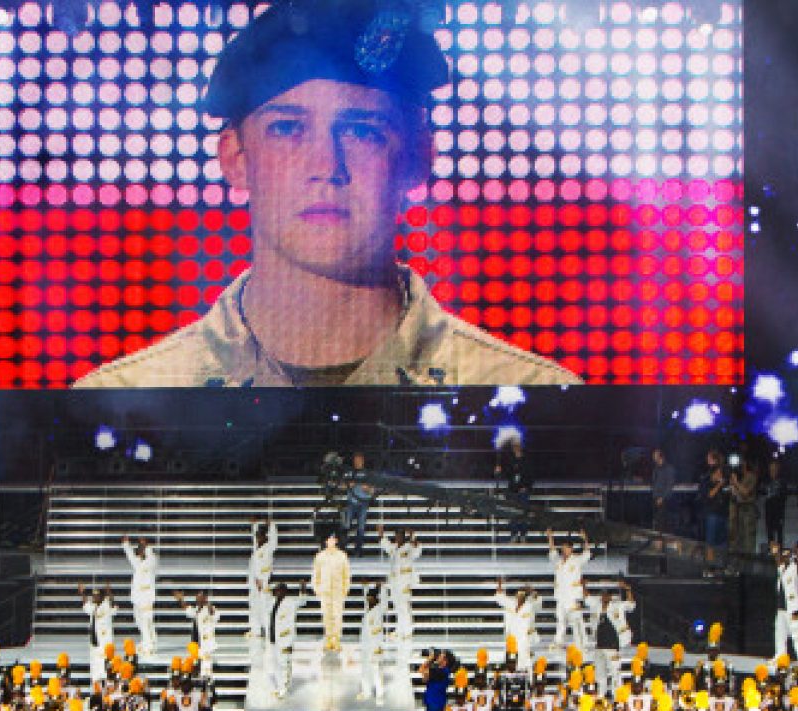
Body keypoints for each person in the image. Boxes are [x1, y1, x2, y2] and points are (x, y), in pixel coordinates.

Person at [72, 0, 578, 389]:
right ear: (235, 158)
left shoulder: (531, 400)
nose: (326, 167)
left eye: (362, 130)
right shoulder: (126, 405)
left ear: (418, 158)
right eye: (288, 128)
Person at [268, 581, 310, 700]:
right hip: (274, 639)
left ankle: (284, 689)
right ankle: (279, 687)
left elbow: (303, 601)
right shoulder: (272, 603)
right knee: (276, 664)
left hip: (285, 639)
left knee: (284, 664)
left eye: (280, 590)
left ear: (285, 591)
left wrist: (302, 588)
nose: (277, 592)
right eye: (276, 590)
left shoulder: (290, 602)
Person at [772, 546, 798, 667]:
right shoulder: (782, 568)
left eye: (786, 556)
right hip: (781, 608)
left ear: (790, 557)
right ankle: (780, 656)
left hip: (793, 608)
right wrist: (775, 552)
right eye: (783, 555)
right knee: (780, 633)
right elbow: (778, 561)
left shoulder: (795, 568)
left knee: (797, 633)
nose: (784, 557)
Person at [312, 532, 351, 653]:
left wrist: (345, 588)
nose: (331, 541)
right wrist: (316, 588)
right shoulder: (320, 556)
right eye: (329, 539)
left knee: (337, 615)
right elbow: (316, 574)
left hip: (338, 590)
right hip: (325, 590)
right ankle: (328, 639)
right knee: (327, 615)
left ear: (336, 540)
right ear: (326, 541)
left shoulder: (342, 556)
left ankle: (336, 640)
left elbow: (346, 574)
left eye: (333, 539)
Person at [122, 536, 159, 658]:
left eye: (142, 549)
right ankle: (151, 640)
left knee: (145, 621)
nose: (139, 551)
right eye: (139, 549)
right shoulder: (138, 562)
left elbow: (149, 553)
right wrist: (126, 544)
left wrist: (145, 545)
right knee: (139, 620)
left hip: (147, 597)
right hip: (137, 597)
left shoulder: (152, 561)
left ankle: (148, 646)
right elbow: (131, 556)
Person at [247, 517, 278, 645]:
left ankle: (267, 629)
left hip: (263, 582)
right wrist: (254, 525)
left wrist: (271, 526)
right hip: (254, 582)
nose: (258, 539)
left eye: (260, 536)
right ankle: (256, 630)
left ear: (265, 537)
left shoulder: (268, 548)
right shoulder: (257, 548)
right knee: (254, 606)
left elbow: (274, 539)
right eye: (257, 536)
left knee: (265, 606)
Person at [357, 585, 388, 701]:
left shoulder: (379, 609)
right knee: (365, 670)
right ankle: (366, 692)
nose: (368, 600)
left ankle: (380, 694)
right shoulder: (368, 610)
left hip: (375, 646)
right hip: (366, 646)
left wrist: (382, 589)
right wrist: (365, 586)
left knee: (376, 670)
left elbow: (385, 602)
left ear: (376, 599)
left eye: (371, 598)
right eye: (368, 598)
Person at [342, 453, 375, 554]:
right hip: (351, 502)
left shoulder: (368, 474)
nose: (357, 463)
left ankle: (358, 549)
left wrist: (367, 488)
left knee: (361, 526)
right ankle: (343, 548)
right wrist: (348, 485)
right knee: (346, 525)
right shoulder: (349, 473)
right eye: (355, 461)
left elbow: (373, 490)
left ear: (363, 461)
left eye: (359, 460)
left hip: (363, 503)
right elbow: (342, 486)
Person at [649, 448, 677, 534]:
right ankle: (657, 541)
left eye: (655, 456)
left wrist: (662, 498)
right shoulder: (656, 469)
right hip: (655, 498)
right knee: (656, 522)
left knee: (663, 524)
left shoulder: (669, 469)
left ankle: (662, 541)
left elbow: (669, 486)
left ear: (660, 456)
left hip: (664, 500)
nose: (653, 457)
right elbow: (654, 483)